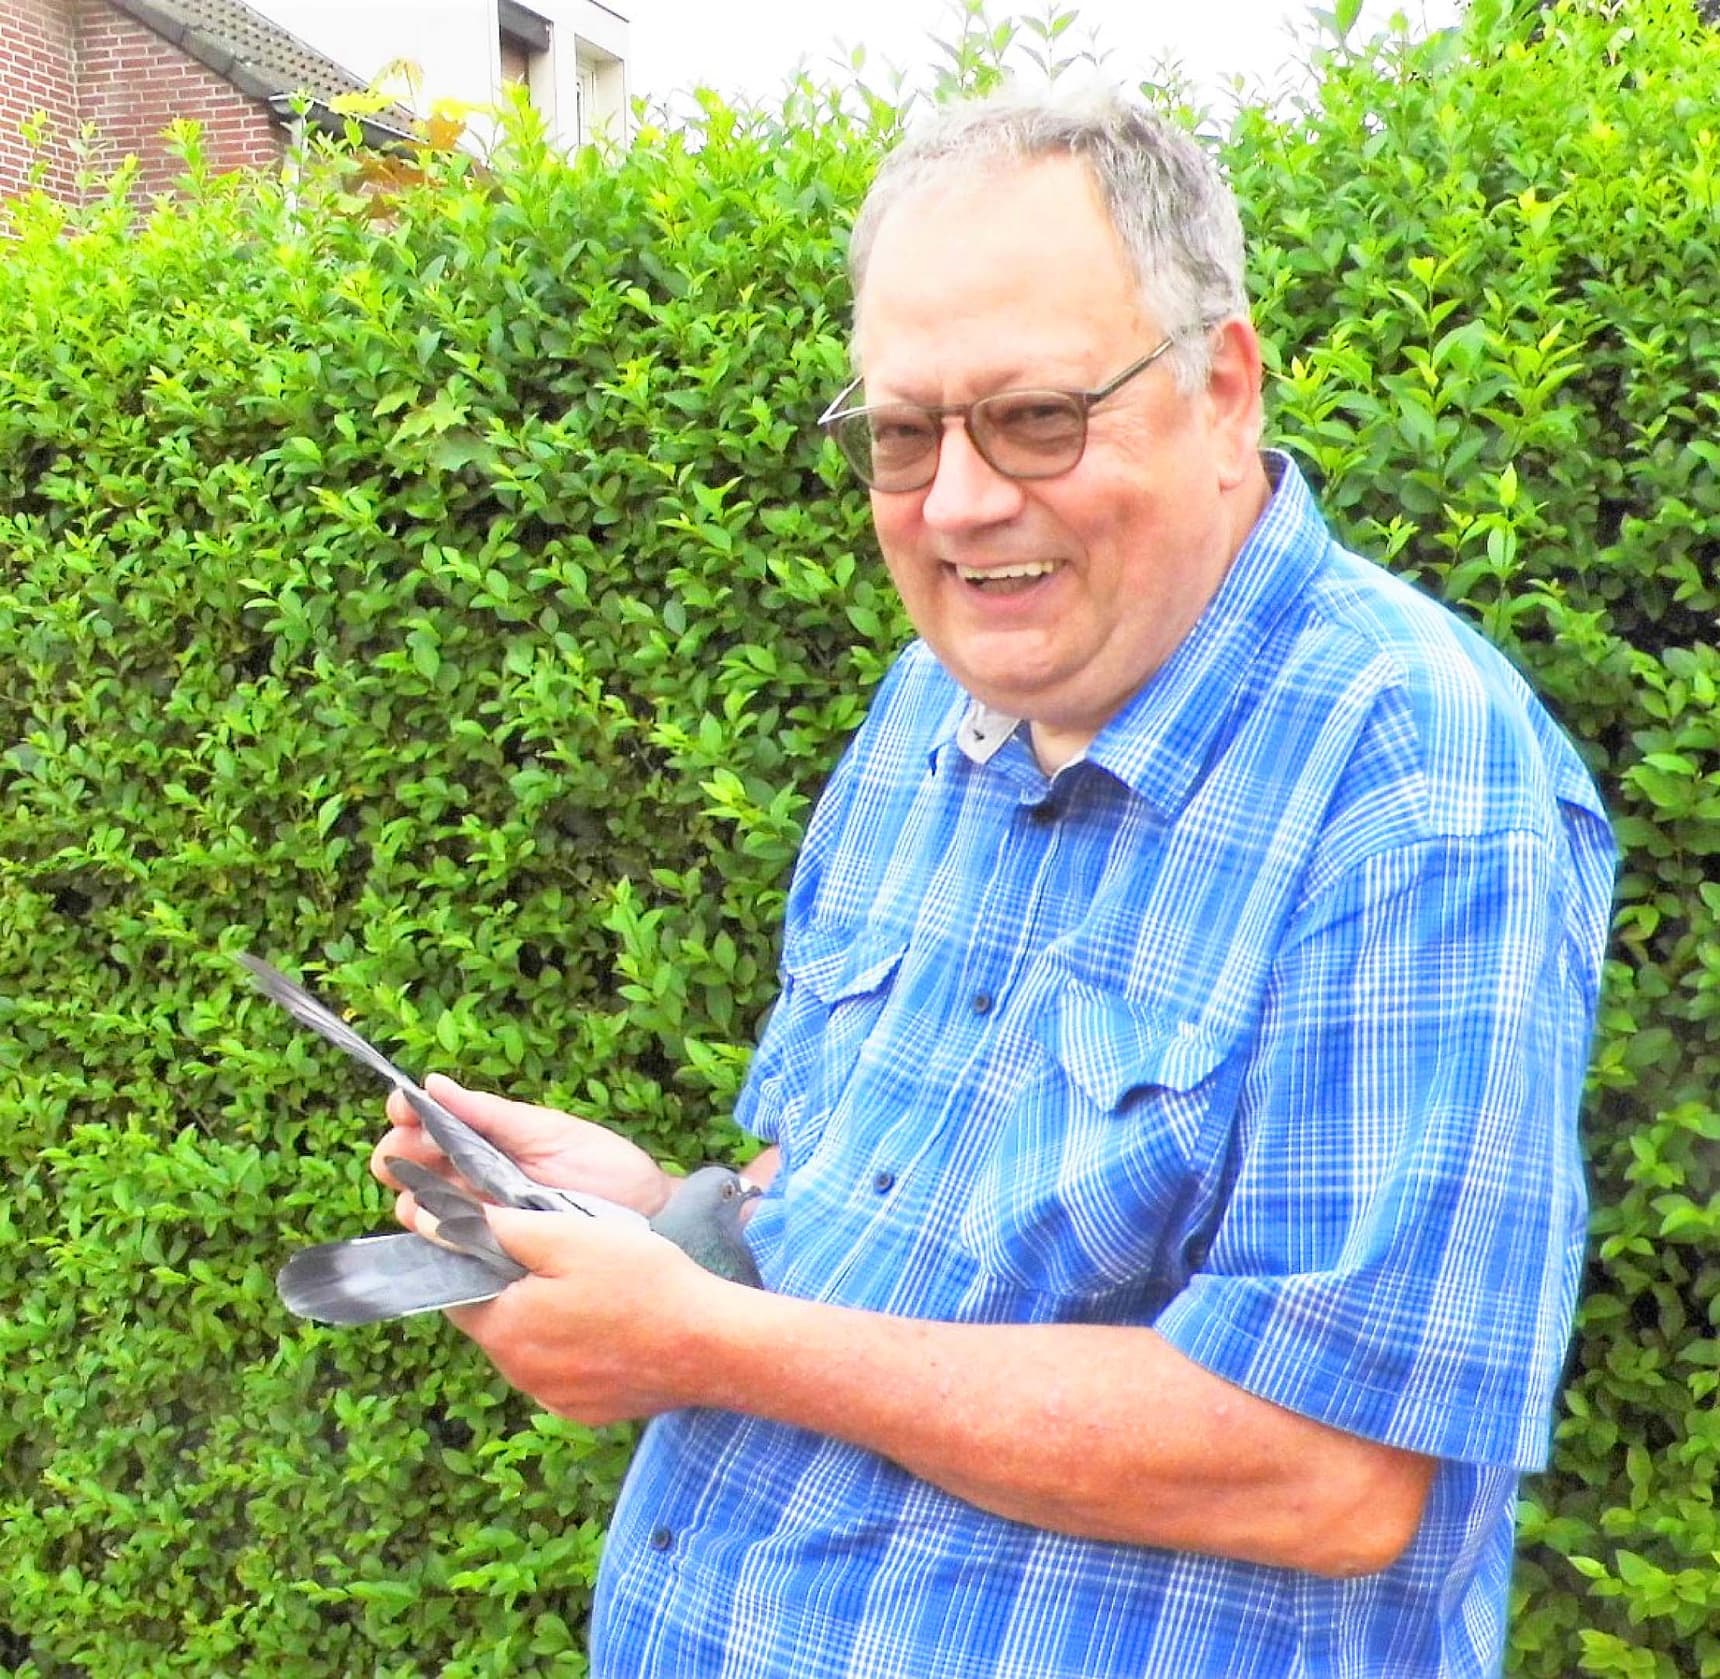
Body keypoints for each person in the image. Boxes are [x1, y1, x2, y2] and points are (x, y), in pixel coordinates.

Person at [374, 87, 1615, 1678]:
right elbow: (842, 1199)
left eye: (1036, 418)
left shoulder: (1423, 785)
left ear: (1219, 389)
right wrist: (648, 1220)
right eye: (903, 434)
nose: (959, 501)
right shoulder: (936, 705)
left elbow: (1335, 1470)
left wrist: (714, 1344)